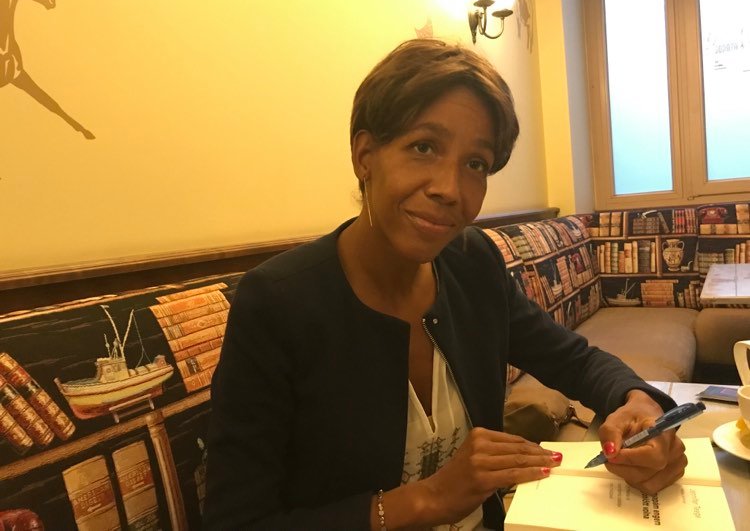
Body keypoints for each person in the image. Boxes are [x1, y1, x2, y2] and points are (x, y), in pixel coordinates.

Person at [203, 39, 687, 530]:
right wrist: (426, 499)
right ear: (365, 155)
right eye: (424, 147)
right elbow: (235, 522)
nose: (450, 189)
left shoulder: (471, 263)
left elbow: (573, 360)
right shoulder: (278, 304)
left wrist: (638, 401)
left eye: (475, 164)